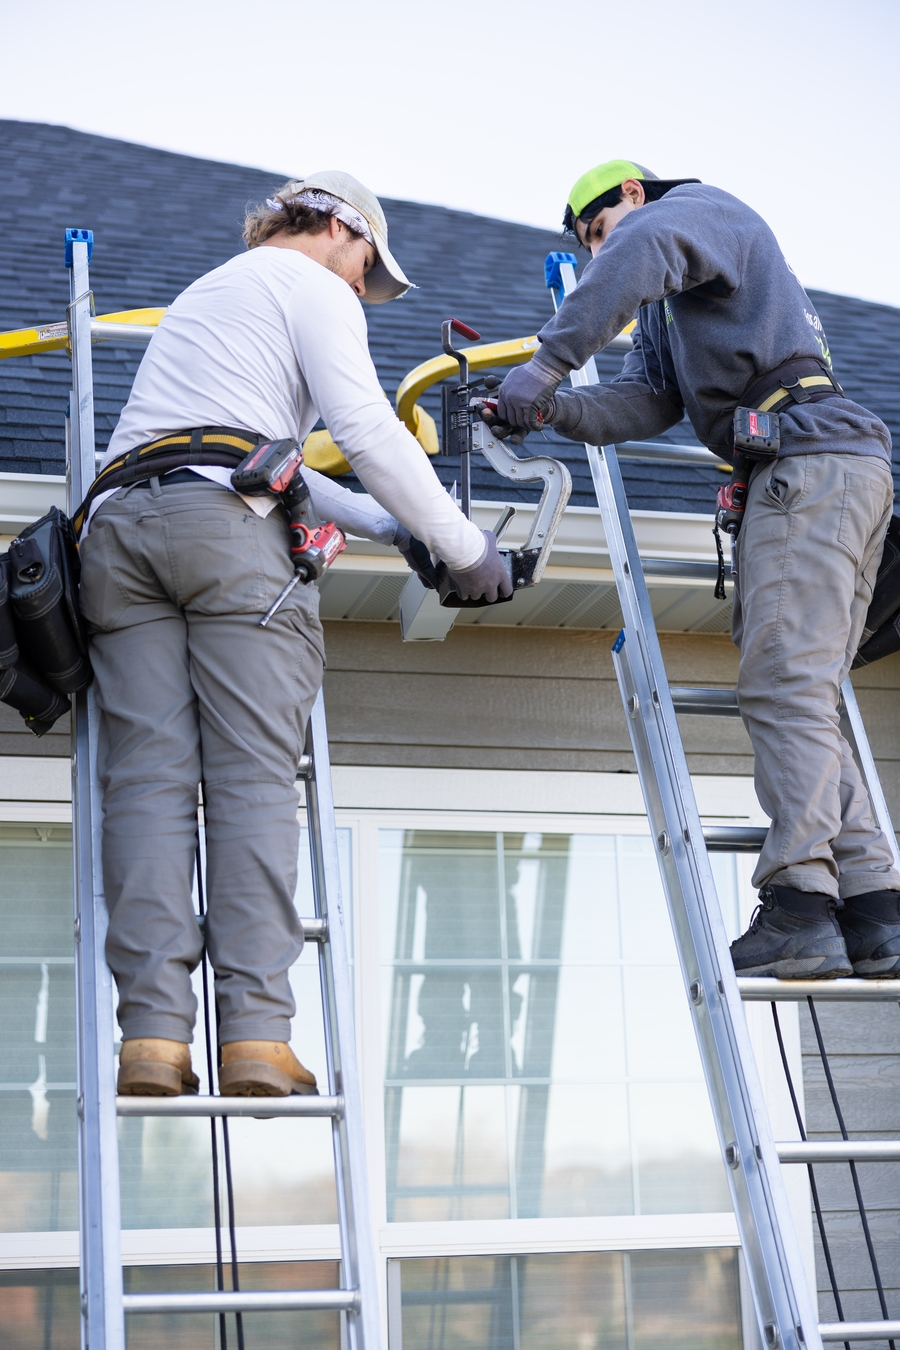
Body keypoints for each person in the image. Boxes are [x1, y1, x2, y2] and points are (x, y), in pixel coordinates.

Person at [79, 171, 511, 1098]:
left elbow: (263, 463)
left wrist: (399, 531)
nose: (363, 287)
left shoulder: (213, 292)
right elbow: (364, 427)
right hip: (223, 537)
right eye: (367, 267)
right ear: (337, 227)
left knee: (148, 782)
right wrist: (466, 549)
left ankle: (151, 1039)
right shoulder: (312, 286)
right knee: (249, 781)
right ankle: (257, 1038)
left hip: (119, 531)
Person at [491, 158, 900, 980]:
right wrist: (548, 407)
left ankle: (798, 905)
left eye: (601, 233)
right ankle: (873, 906)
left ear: (633, 195)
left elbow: (639, 252)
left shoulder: (701, 213)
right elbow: (642, 402)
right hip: (825, 469)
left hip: (808, 464)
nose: (606, 255)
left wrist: (544, 362)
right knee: (806, 691)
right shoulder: (670, 310)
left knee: (783, 686)